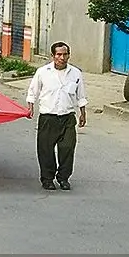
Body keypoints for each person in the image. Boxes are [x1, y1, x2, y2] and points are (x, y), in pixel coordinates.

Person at [26, 41, 88, 191]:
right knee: (46, 149)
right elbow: (33, 91)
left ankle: (63, 178)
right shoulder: (43, 72)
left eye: (65, 54)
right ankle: (47, 179)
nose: (62, 58)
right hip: (48, 117)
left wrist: (83, 113)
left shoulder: (75, 73)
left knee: (67, 148)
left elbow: (81, 95)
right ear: (52, 56)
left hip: (67, 117)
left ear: (69, 55)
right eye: (59, 54)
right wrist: (30, 107)